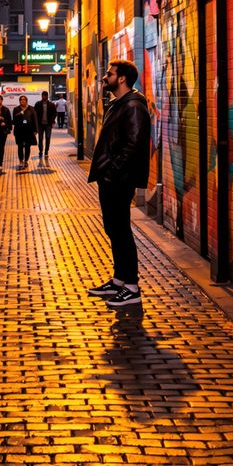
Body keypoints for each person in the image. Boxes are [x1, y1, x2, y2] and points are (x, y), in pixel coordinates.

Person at [86, 59, 151, 308]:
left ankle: (131, 287)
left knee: (121, 230)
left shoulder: (133, 105)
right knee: (113, 229)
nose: (105, 77)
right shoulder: (119, 103)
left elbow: (134, 143)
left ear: (121, 78)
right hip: (112, 178)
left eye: (110, 74)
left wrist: (112, 172)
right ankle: (119, 280)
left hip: (119, 179)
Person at [11, 94, 38, 169]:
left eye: (24, 99)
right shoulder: (16, 109)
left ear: (26, 101)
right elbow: (14, 121)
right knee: (20, 146)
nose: (22, 101)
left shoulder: (31, 109)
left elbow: (35, 119)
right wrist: (19, 114)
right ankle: (20, 161)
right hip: (19, 131)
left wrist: (36, 130)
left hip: (29, 131)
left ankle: (26, 160)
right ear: (19, 101)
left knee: (27, 146)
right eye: (21, 100)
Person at [34, 91, 56, 161]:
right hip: (40, 124)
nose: (44, 97)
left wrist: (52, 121)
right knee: (40, 138)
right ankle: (40, 151)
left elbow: (55, 113)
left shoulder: (52, 104)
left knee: (48, 137)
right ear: (42, 96)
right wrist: (36, 123)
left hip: (48, 124)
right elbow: (35, 114)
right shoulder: (37, 104)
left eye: (45, 96)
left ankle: (46, 151)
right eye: (43, 96)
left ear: (47, 96)